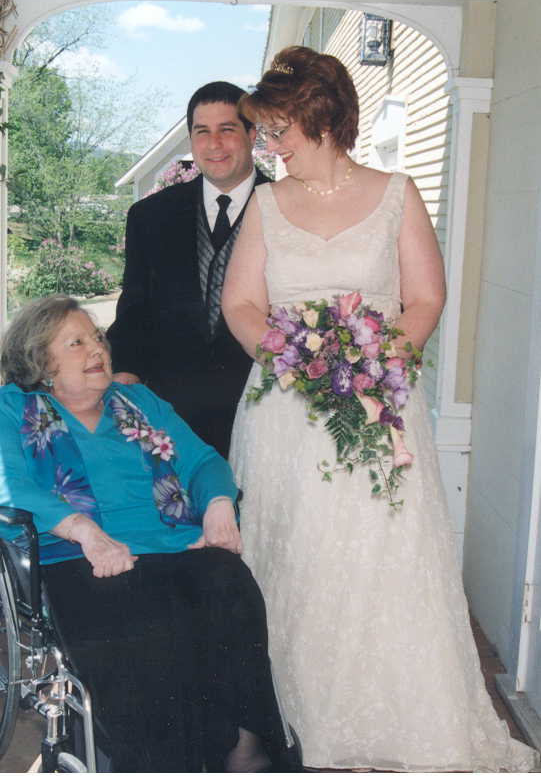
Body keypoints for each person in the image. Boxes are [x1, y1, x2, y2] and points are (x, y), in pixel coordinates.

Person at [222, 45, 539, 772]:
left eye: (277, 131)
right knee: (299, 562)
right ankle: (301, 721)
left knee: (382, 561)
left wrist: (369, 366)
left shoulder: (397, 193)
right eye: (264, 132)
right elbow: (240, 304)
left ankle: (401, 723)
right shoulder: (266, 204)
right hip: (286, 416)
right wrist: (291, 360)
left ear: (321, 119)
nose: (267, 147)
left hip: (376, 411)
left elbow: (425, 297)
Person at [0, 294, 295, 773]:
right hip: (80, 557)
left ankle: (245, 745)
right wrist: (84, 531)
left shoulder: (138, 401)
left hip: (174, 543)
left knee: (228, 582)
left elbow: (201, 461)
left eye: (97, 338)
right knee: (138, 614)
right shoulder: (12, 408)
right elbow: (9, 483)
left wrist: (219, 505)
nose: (97, 349)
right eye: (76, 343)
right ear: (41, 362)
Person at [106, 81, 271, 458]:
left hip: (261, 412)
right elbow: (134, 312)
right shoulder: (150, 216)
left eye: (227, 129)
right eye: (202, 132)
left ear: (251, 135)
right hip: (173, 417)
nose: (214, 144)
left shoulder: (287, 208)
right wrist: (124, 378)